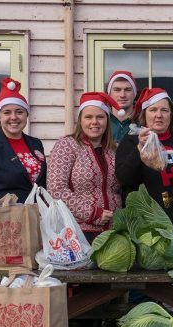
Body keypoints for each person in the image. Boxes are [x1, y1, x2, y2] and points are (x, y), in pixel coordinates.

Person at [116, 87, 173, 231]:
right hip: (146, 222)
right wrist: (140, 149)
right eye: (153, 110)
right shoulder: (131, 141)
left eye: (164, 110)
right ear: (144, 114)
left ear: (171, 115)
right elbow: (124, 179)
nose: (159, 115)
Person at [48, 92, 123, 243]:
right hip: (78, 232)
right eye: (88, 117)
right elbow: (56, 189)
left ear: (107, 121)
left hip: (114, 232)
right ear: (80, 120)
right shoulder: (67, 145)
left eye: (100, 117)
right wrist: (93, 213)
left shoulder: (114, 150)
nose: (94, 122)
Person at [0, 77, 46, 203]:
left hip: (36, 216)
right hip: (3, 219)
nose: (14, 117)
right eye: (7, 113)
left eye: (19, 112)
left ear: (26, 114)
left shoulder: (36, 143)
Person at [107, 70, 137, 144]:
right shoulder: (103, 120)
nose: (122, 95)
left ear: (134, 94)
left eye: (127, 90)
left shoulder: (143, 121)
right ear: (109, 94)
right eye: (117, 90)